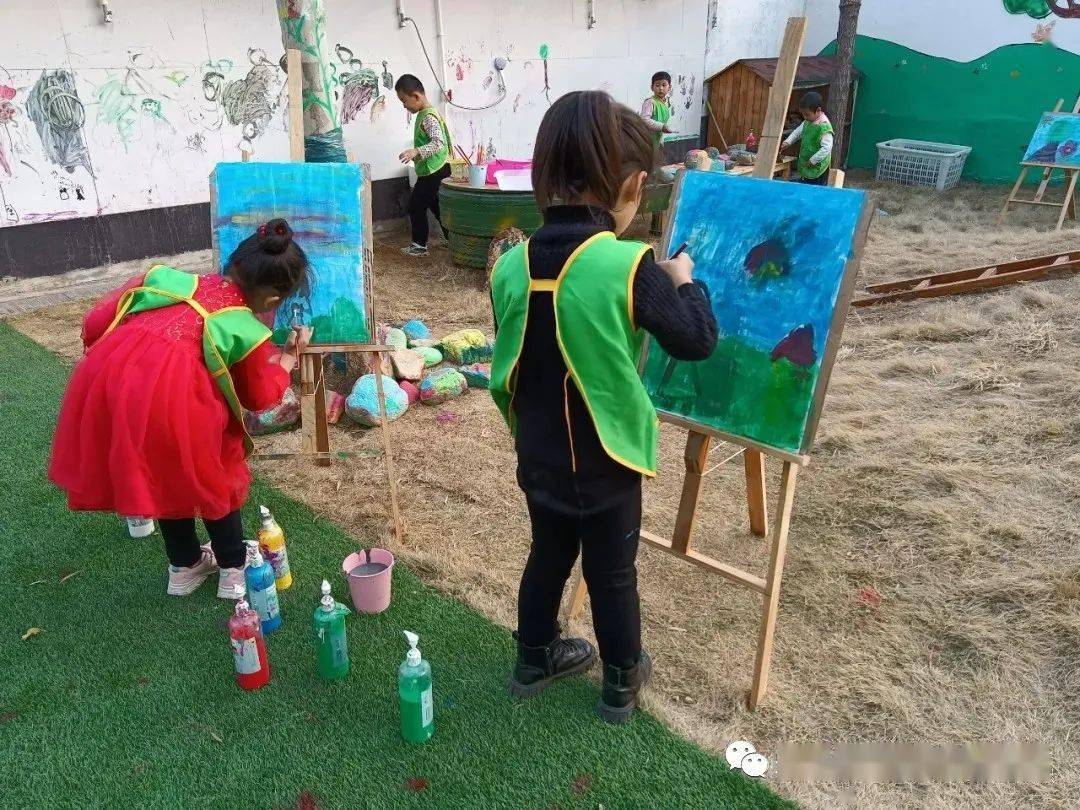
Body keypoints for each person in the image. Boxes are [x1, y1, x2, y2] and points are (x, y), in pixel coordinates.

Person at [489, 91, 718, 723]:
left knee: (548, 555)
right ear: (635, 185)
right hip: (606, 459)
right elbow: (695, 340)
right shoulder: (628, 264)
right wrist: (685, 280)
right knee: (612, 573)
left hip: (537, 453)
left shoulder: (510, 266)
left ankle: (532, 659)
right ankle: (621, 683)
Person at [48, 219, 311, 599]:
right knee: (215, 475)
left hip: (114, 383)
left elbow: (95, 322)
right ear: (272, 301)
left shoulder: (166, 280)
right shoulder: (243, 327)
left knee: (165, 473)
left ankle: (184, 567)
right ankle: (233, 572)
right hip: (176, 401)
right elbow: (259, 396)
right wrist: (287, 359)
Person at [395, 74, 453, 257]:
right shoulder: (426, 114)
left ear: (417, 96)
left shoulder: (427, 116)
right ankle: (454, 239)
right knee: (437, 206)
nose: (403, 105)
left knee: (416, 205)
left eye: (404, 100)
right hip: (436, 169)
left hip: (434, 171)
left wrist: (416, 151)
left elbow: (438, 143)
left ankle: (419, 245)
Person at [782, 90, 834, 185]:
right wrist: (787, 142)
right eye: (803, 114)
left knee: (815, 189)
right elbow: (797, 132)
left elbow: (826, 149)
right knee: (805, 183)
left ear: (818, 110)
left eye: (807, 114)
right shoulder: (808, 121)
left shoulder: (824, 127)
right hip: (806, 163)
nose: (804, 117)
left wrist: (813, 160)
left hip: (818, 167)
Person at [640, 70, 674, 150]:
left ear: (669, 87)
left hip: (657, 142)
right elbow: (644, 120)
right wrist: (661, 127)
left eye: (664, 85)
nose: (661, 88)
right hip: (647, 141)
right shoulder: (650, 102)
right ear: (652, 87)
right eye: (657, 85)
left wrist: (661, 141)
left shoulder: (665, 103)